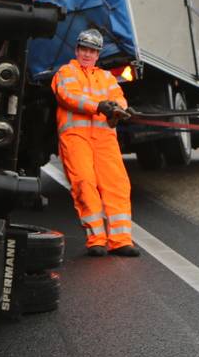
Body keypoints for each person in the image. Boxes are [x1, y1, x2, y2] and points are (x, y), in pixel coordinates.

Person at [52, 28, 140, 258]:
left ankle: (121, 240)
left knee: (117, 185)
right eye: (84, 49)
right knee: (84, 183)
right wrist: (99, 105)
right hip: (76, 138)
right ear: (77, 50)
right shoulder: (66, 72)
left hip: (104, 139)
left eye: (92, 51)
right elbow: (69, 96)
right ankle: (96, 240)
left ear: (98, 54)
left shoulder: (107, 77)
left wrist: (121, 109)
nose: (87, 54)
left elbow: (118, 97)